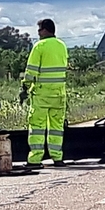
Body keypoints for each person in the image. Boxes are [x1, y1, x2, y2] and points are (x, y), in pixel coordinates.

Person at [20, 18, 69, 168]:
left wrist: (24, 88)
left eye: (40, 29)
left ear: (46, 30)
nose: (38, 32)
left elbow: (31, 71)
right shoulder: (62, 46)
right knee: (56, 127)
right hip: (59, 94)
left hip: (42, 95)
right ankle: (57, 157)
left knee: (37, 127)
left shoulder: (39, 46)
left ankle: (35, 159)